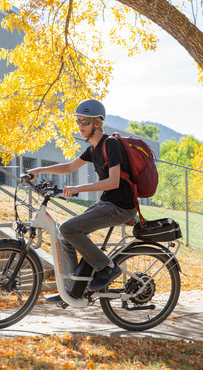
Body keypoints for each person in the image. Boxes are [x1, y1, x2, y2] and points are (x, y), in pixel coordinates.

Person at [27, 99, 137, 298]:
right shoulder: (93, 149)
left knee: (68, 228)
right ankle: (71, 290)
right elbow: (69, 167)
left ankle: (108, 267)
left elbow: (113, 182)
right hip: (107, 203)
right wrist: (39, 169)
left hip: (121, 206)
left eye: (85, 122)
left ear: (98, 123)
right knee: (65, 236)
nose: (80, 126)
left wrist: (78, 188)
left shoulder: (110, 144)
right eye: (78, 121)